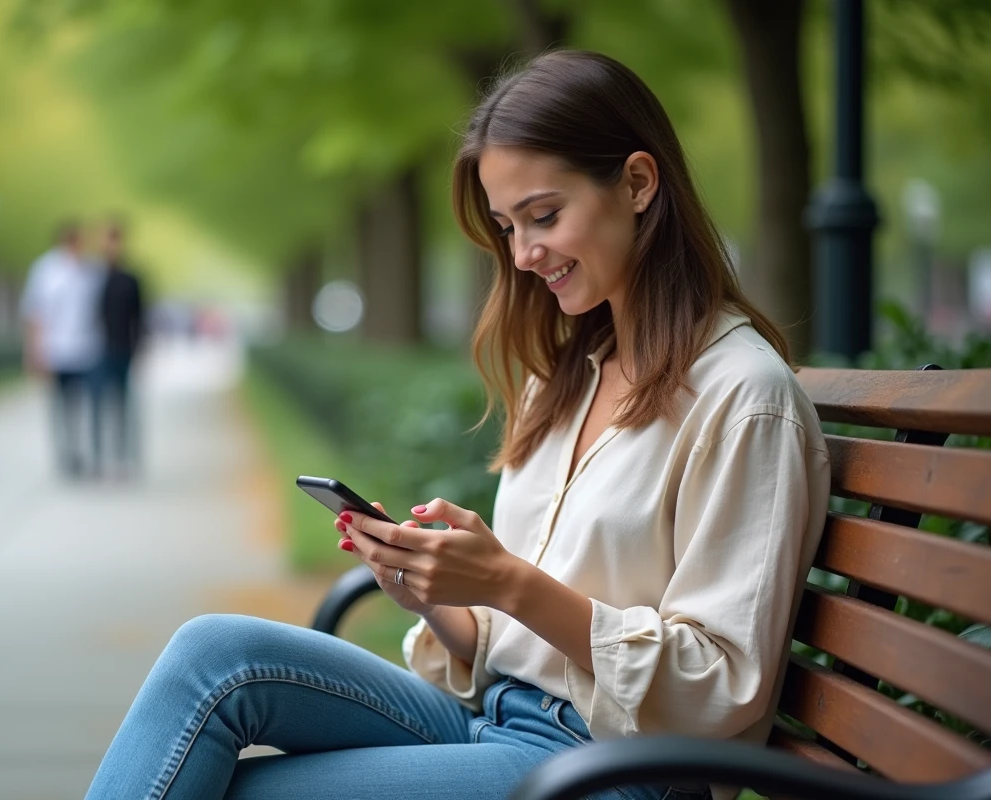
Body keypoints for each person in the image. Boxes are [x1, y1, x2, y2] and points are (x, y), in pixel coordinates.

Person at [85, 51, 831, 800]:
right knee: (212, 653)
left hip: (615, 771)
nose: (524, 254)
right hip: (497, 722)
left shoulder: (743, 399)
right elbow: (508, 648)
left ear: (638, 183)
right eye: (508, 226)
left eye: (544, 216)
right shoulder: (566, 378)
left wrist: (509, 583)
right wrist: (434, 595)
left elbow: (723, 687)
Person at [20, 221, 104, 478]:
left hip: (86, 349)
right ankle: (64, 453)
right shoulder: (46, 270)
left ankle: (79, 451)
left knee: (80, 404)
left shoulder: (92, 271)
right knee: (59, 404)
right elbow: (35, 313)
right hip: (55, 349)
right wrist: (34, 352)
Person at [92, 220, 145, 479]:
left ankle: (124, 458)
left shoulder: (131, 280)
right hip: (95, 352)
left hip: (123, 349)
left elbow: (140, 318)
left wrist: (139, 351)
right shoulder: (92, 277)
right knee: (96, 406)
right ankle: (98, 458)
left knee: (124, 406)